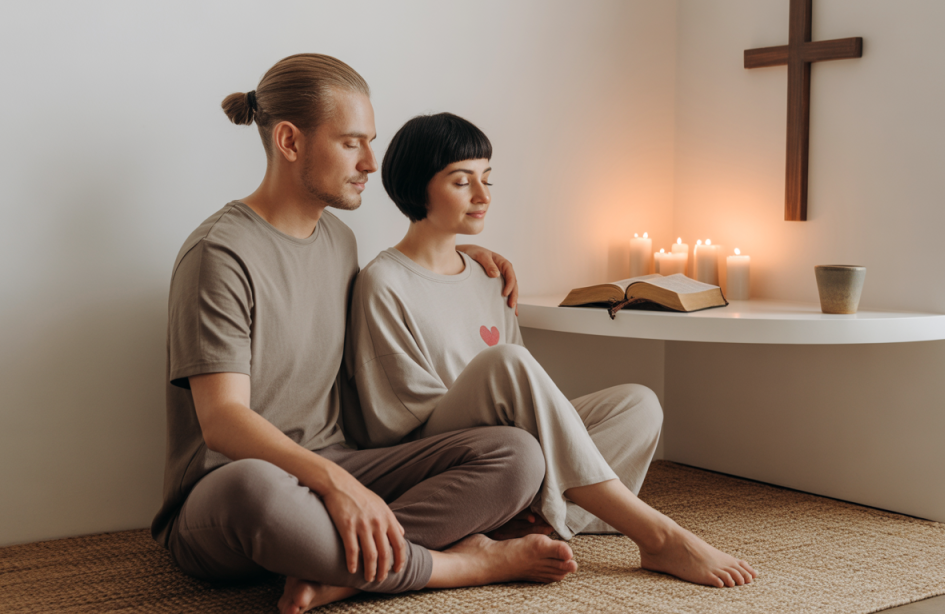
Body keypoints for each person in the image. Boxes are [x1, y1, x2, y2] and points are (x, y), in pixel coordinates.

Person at [153, 54, 579, 614]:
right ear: (289, 141)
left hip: (342, 462)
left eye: (370, 143)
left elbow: (395, 299)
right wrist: (335, 484)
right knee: (256, 492)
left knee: (518, 454)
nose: (371, 163)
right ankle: (459, 564)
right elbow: (223, 421)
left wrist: (461, 254)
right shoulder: (219, 253)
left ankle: (347, 568)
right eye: (351, 143)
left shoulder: (340, 242)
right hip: (233, 486)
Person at [345, 112, 758, 589]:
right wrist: (490, 397)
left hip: (508, 450)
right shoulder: (383, 281)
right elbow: (391, 420)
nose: (483, 196)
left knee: (638, 404)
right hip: (432, 451)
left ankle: (532, 522)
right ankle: (656, 534)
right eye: (462, 182)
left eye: (486, 179)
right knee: (508, 362)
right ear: (417, 187)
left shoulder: (489, 276)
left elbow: (518, 396)